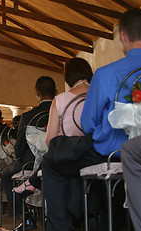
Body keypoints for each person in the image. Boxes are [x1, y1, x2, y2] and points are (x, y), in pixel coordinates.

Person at [41, 8, 141, 231]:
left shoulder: (104, 74)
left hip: (110, 155)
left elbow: (88, 124)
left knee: (51, 163)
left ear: (122, 37)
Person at [13, 57, 93, 196]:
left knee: (52, 155)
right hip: (101, 151)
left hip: (69, 155)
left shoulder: (60, 100)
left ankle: (33, 188)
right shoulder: (100, 93)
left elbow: (50, 140)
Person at [0, 76, 56, 231]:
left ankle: (26, 217)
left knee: (4, 175)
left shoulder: (28, 116)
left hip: (29, 163)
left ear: (37, 93)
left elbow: (20, 147)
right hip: (58, 159)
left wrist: (19, 155)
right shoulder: (61, 110)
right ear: (56, 92)